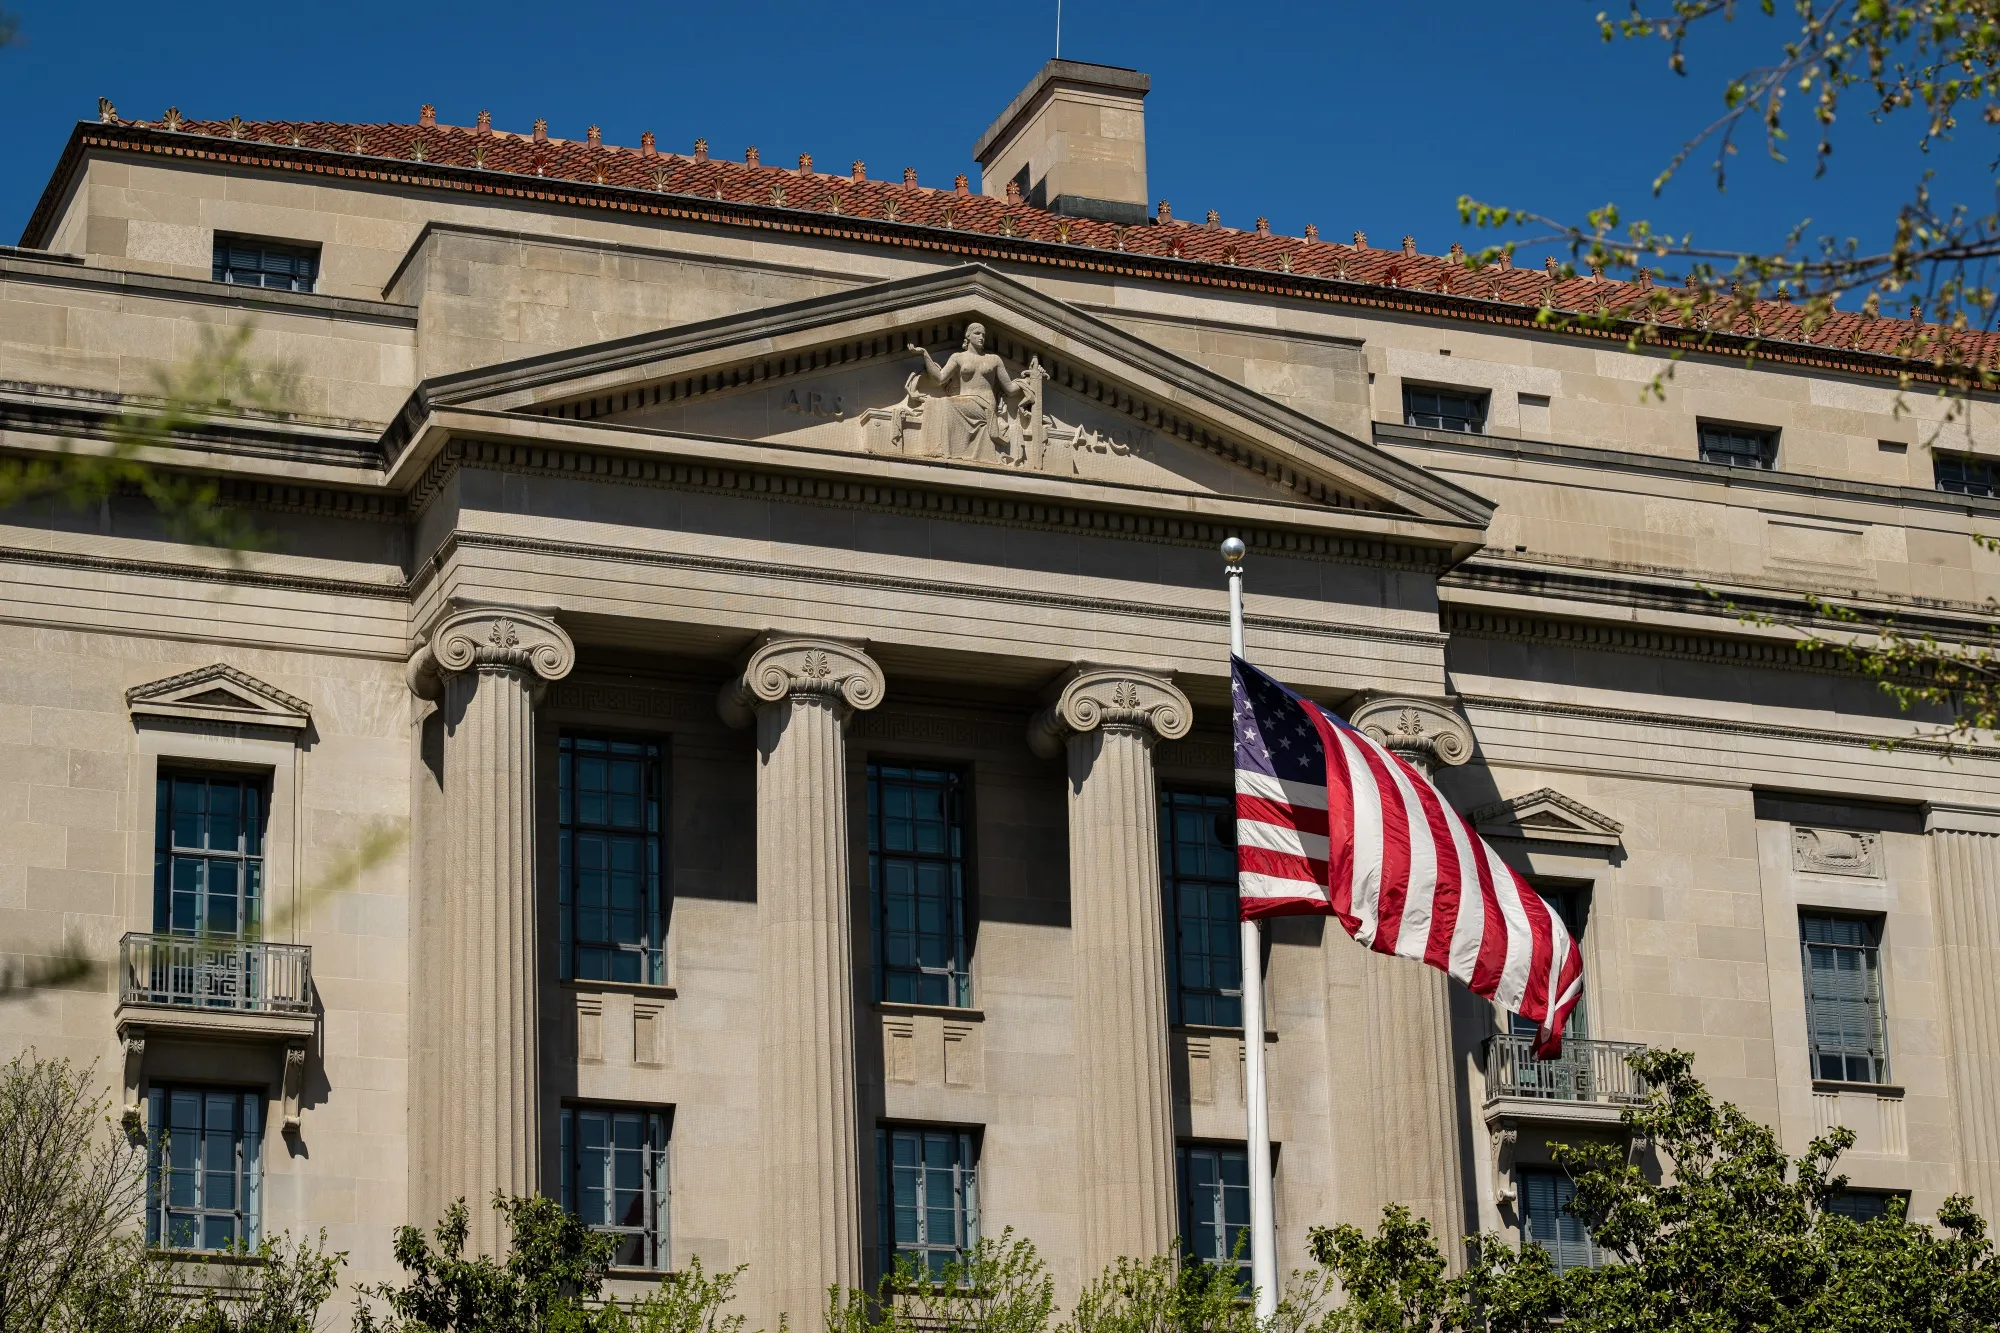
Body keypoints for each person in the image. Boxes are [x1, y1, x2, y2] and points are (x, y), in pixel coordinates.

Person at [907, 322, 1017, 461]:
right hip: (965, 401)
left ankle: (945, 451)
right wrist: (924, 354)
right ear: (968, 335)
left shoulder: (994, 359)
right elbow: (939, 378)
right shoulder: (958, 357)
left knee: (947, 404)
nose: (981, 337)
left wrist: (1029, 380)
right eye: (977, 333)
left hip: (985, 405)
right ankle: (942, 450)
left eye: (983, 335)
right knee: (937, 404)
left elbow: (1010, 388)